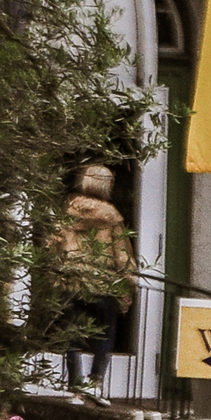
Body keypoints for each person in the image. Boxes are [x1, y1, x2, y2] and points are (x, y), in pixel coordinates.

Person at [58, 164, 133, 402]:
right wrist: (127, 283)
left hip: (71, 281)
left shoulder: (67, 211)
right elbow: (121, 255)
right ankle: (95, 382)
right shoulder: (111, 216)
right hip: (102, 284)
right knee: (105, 333)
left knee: (72, 335)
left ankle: (74, 385)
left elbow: (54, 243)